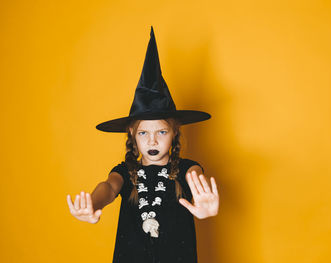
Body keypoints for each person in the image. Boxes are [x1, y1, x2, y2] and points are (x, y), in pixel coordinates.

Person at [66, 26, 219, 263]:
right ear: (132, 134)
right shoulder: (125, 172)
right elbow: (108, 187)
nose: (153, 140)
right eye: (144, 133)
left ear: (174, 132)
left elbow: (196, 179)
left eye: (161, 131)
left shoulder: (189, 168)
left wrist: (204, 203)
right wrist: (93, 204)